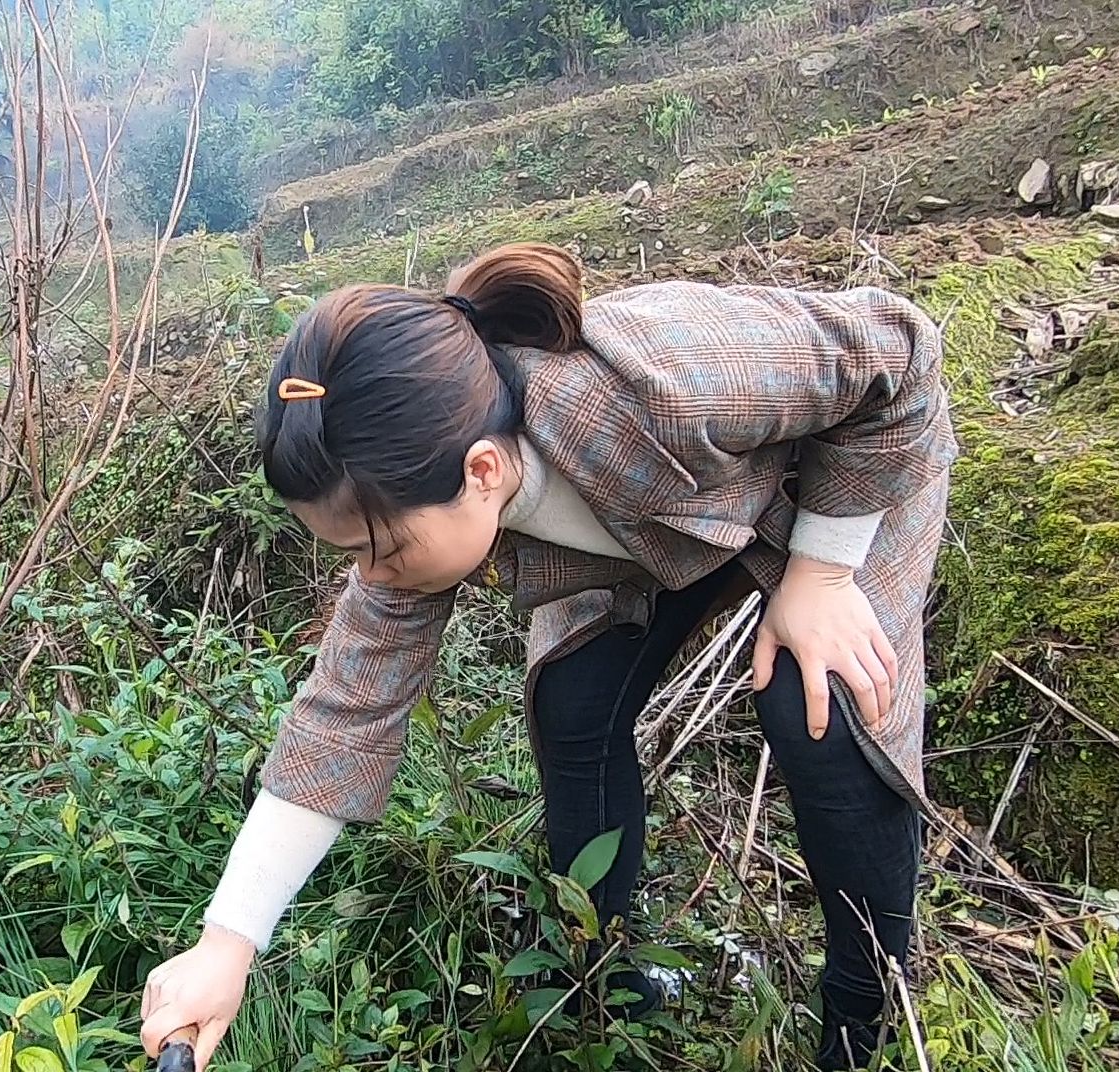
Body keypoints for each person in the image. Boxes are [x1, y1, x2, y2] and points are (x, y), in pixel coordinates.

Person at [138, 242, 956, 1071]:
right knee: (572, 706)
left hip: (835, 488)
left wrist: (818, 574)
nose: (369, 576)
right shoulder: (412, 504)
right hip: (644, 535)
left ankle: (865, 1027)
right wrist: (226, 944)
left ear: (482, 470)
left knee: (821, 706)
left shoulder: (666, 378)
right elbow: (342, 720)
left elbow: (900, 353)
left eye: (375, 549)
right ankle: (604, 973)